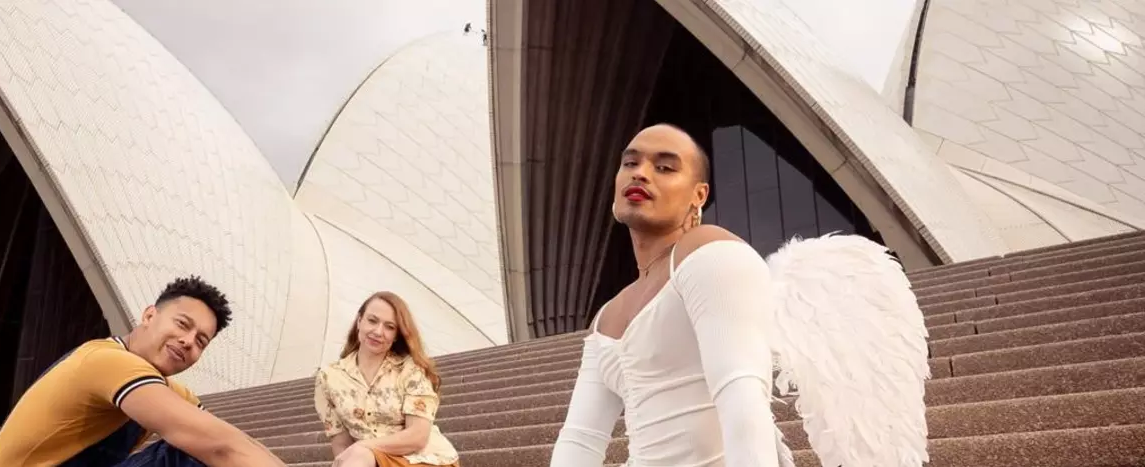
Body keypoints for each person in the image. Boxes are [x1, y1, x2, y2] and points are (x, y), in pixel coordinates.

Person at [549, 124, 931, 466]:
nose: (641, 173)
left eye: (665, 167)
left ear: (699, 195)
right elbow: (581, 438)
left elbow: (742, 394)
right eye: (630, 163)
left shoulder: (710, 252)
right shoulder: (607, 315)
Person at [0, 276, 287, 467]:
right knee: (194, 452)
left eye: (201, 341)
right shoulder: (107, 361)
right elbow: (220, 446)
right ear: (149, 315)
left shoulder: (162, 386)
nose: (187, 341)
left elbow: (233, 439)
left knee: (201, 441)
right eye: (183, 324)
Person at [313, 292, 461, 467]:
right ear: (359, 321)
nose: (378, 332)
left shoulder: (411, 370)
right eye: (372, 321)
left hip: (425, 459)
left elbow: (417, 437)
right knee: (357, 458)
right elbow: (342, 445)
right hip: (369, 461)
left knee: (360, 454)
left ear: (397, 335)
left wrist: (363, 446)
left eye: (389, 327)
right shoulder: (329, 378)